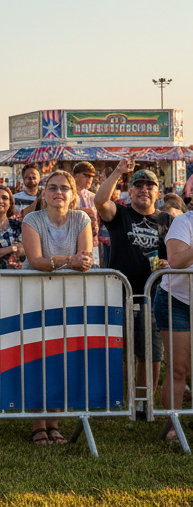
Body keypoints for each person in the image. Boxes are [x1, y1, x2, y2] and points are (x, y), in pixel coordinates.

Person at [21, 169, 93, 444]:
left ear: (73, 194)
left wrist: (72, 262)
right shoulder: (32, 219)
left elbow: (85, 259)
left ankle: (55, 422)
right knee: (36, 358)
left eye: (64, 188)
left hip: (68, 297)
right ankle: (38, 424)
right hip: (34, 298)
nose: (58, 192)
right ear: (44, 193)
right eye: (52, 187)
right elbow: (36, 260)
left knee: (61, 358)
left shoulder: (81, 218)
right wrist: (69, 261)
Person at [95, 161, 171, 410]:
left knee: (150, 353)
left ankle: (143, 403)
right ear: (130, 190)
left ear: (158, 192)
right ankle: (118, 401)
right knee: (119, 352)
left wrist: (170, 262)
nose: (144, 189)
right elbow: (100, 202)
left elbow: (178, 253)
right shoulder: (121, 214)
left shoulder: (166, 220)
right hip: (121, 295)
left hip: (154, 296)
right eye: (138, 184)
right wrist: (118, 172)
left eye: (150, 185)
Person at [160, 210, 193, 439]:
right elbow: (177, 261)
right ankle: (174, 425)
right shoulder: (184, 221)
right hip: (177, 301)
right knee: (179, 367)